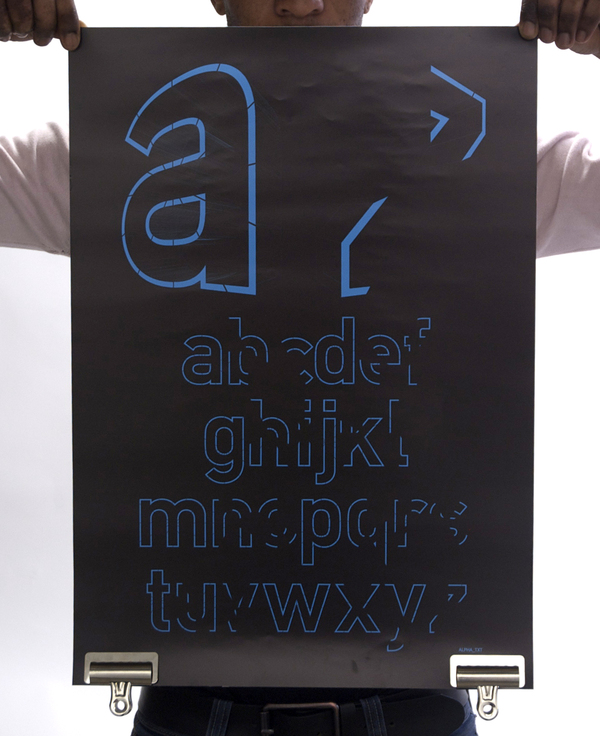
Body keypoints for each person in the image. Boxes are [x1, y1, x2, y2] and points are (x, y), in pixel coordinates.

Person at [1, 2, 599, 736]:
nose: (302, 2)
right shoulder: (126, 156)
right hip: (191, 704)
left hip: (417, 703)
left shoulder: (482, 154)